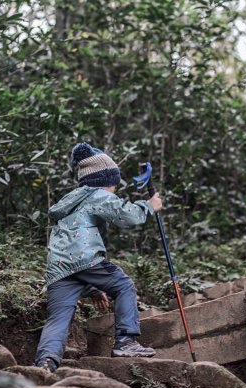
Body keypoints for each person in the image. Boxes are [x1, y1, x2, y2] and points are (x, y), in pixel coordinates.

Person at [34, 143, 163, 372]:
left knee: (58, 319)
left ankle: (45, 364)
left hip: (59, 267)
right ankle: (126, 341)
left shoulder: (72, 200)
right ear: (105, 180)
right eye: (114, 182)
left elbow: (72, 254)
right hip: (84, 257)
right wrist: (149, 206)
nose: (115, 187)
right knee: (124, 285)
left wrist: (93, 288)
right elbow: (127, 216)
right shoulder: (98, 195)